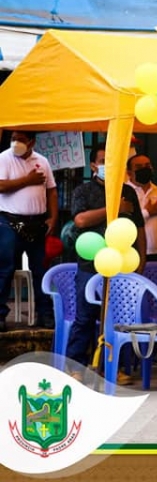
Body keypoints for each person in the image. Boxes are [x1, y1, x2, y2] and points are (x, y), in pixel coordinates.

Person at [66, 148, 146, 372]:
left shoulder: (127, 192)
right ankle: (75, 367)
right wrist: (113, 209)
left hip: (123, 263)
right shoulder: (83, 191)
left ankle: (121, 368)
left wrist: (142, 261)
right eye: (103, 161)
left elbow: (138, 228)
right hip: (89, 264)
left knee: (122, 319)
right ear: (93, 166)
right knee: (85, 317)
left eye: (112, 161)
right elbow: (81, 220)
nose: (107, 165)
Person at [0, 130, 58, 331]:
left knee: (40, 270)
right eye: (13, 138)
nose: (15, 142)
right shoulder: (4, 158)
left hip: (36, 222)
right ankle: (0, 315)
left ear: (32, 142)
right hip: (8, 221)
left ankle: (45, 314)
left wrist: (53, 217)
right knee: (5, 268)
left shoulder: (42, 161)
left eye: (21, 139)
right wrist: (28, 180)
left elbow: (51, 190)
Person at [126, 154, 157, 264]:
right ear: (129, 173)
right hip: (130, 254)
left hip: (156, 255)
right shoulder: (123, 193)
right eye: (139, 167)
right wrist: (147, 212)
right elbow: (123, 225)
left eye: (147, 166)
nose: (144, 170)